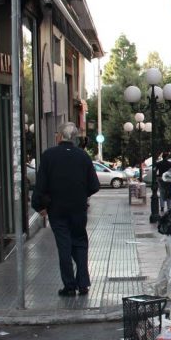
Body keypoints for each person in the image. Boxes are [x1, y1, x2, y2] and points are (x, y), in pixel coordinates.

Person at [31, 122, 100, 297]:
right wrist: (81, 194)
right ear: (74, 138)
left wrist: (39, 206)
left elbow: (41, 184)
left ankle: (69, 285)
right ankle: (83, 283)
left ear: (59, 136)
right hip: (78, 209)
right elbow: (94, 185)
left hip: (57, 209)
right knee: (80, 242)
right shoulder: (83, 157)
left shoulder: (48, 156)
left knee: (64, 245)